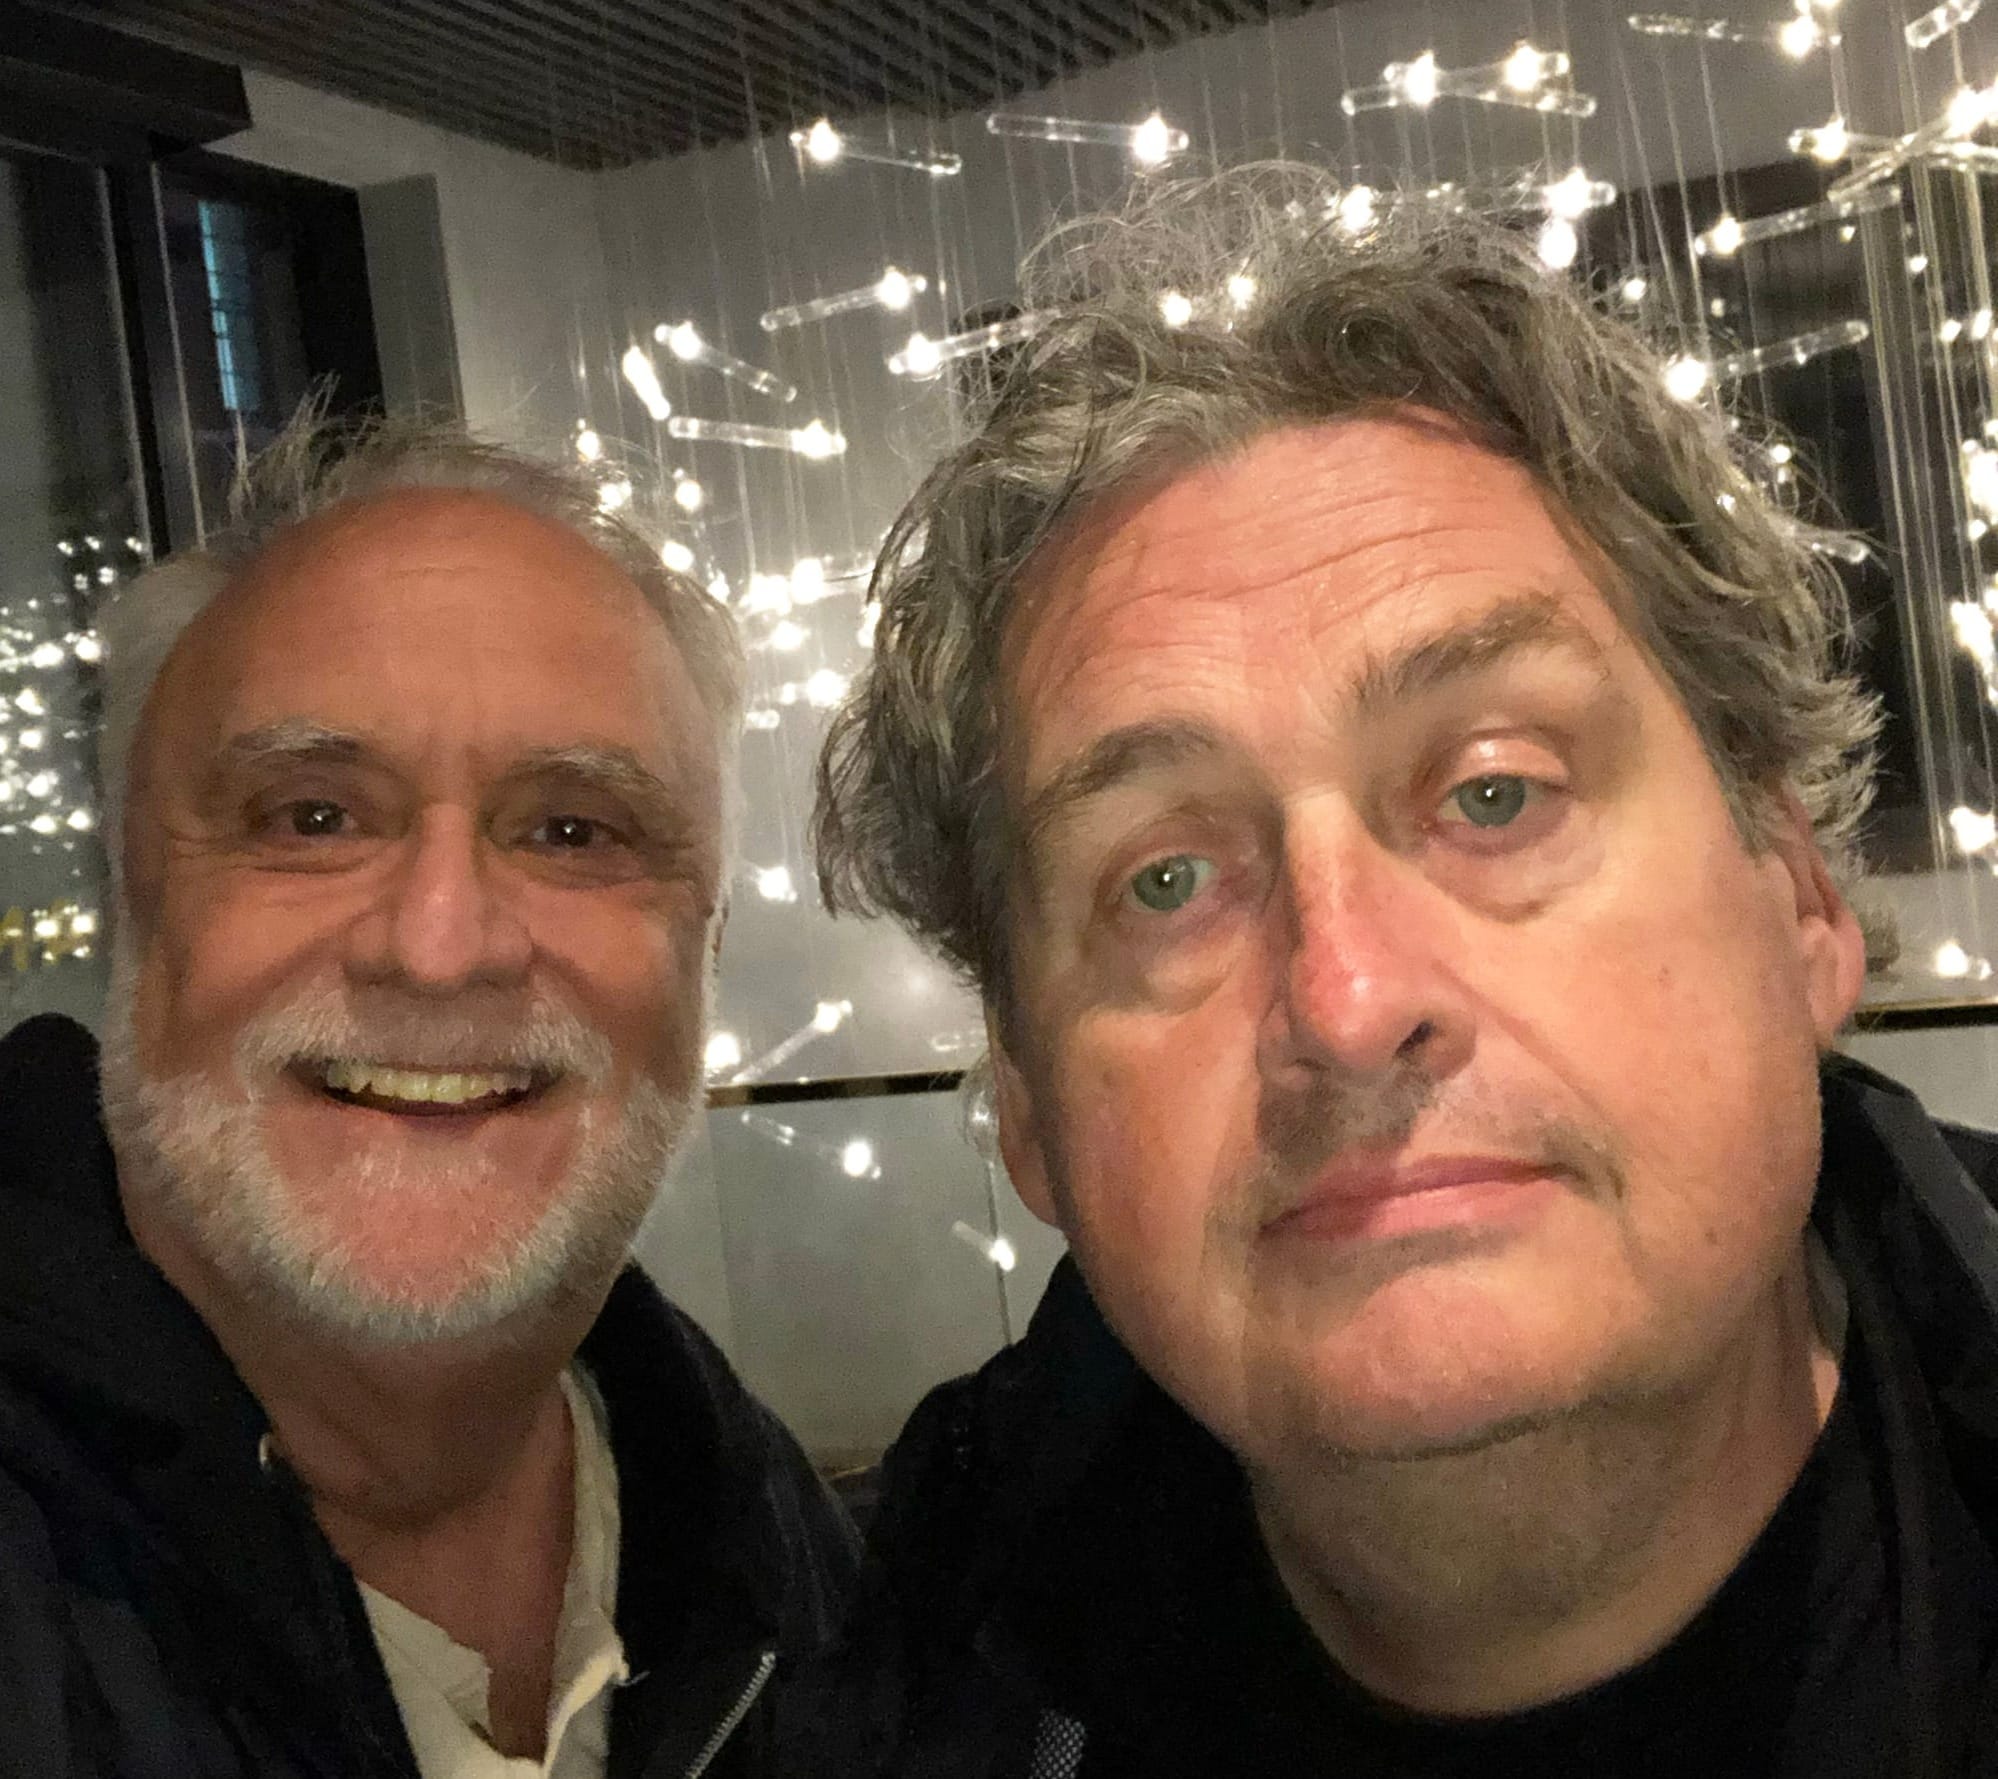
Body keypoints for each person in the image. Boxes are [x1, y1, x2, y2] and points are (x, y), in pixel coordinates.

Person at [811, 165, 1998, 1778]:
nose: (1349, 1002)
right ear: (1025, 1108)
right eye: (1164, 881)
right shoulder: (881, 1672)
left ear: (1795, 900)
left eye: (1494, 794)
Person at [0, 418, 856, 1778]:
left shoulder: (785, 1554)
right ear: (130, 902)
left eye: (573, 830)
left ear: (703, 954)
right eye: (311, 818)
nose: (441, 946)